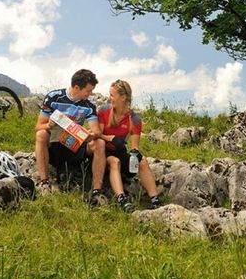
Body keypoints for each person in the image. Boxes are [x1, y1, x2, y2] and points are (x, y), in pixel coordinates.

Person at [35, 69, 108, 205]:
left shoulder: (88, 105)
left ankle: (97, 192)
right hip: (54, 144)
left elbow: (97, 131)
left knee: (100, 143)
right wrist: (48, 126)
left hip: (75, 145)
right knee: (41, 134)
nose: (90, 94)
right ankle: (45, 183)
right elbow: (38, 126)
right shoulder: (53, 97)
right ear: (76, 88)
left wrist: (91, 135)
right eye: (88, 90)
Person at [97, 79, 160, 211]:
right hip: (103, 152)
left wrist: (135, 153)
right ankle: (121, 200)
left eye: (112, 95)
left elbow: (134, 146)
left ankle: (155, 200)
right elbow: (97, 135)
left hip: (120, 151)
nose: (110, 98)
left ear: (123, 97)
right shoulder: (103, 111)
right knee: (114, 162)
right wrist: (111, 138)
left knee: (142, 161)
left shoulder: (134, 119)